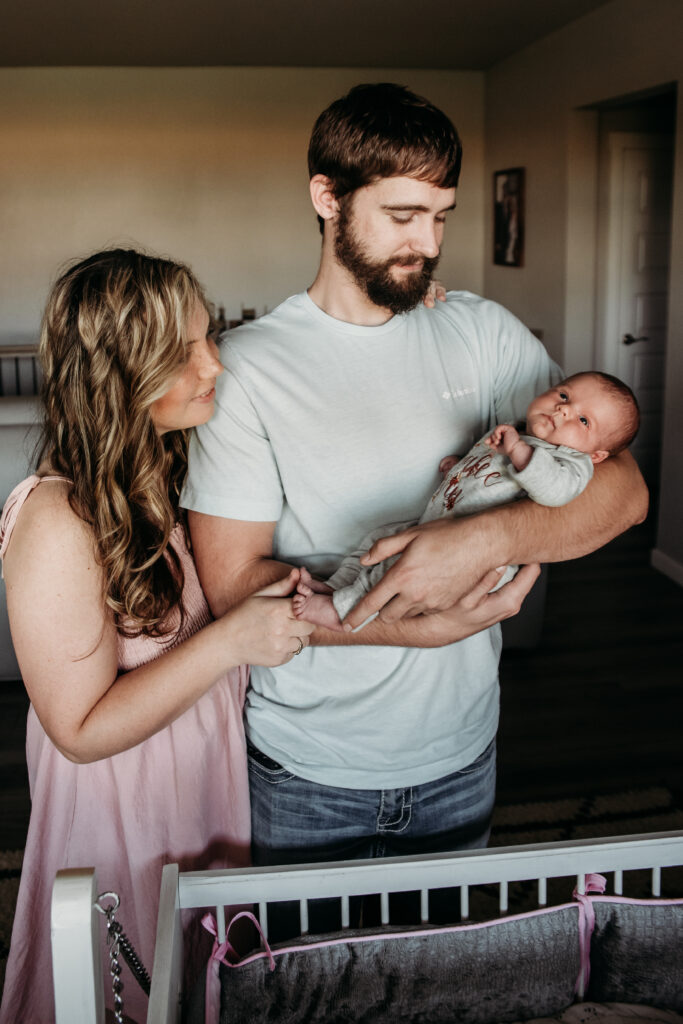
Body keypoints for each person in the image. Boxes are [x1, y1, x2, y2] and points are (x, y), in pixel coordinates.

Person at [183, 84, 647, 883]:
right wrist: (415, 622)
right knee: (304, 993)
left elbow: (621, 494)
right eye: (402, 216)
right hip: (310, 766)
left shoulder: (483, 333)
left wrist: (477, 540)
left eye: (441, 216)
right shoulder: (246, 368)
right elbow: (233, 590)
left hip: (463, 750)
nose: (428, 243)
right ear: (326, 197)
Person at [0, 249, 314, 1024]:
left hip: (206, 789)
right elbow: (76, 729)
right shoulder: (57, 518)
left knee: (205, 981)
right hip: (122, 810)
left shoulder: (172, 480)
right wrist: (230, 640)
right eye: (186, 350)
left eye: (210, 337)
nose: (215, 363)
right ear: (119, 371)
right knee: (130, 983)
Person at [292, 371, 640, 631]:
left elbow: (555, 490)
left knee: (392, 568)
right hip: (435, 523)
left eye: (583, 420)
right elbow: (488, 471)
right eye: (564, 395)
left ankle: (342, 612)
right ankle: (337, 585)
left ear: (597, 455)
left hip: (472, 562)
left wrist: (519, 450)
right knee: (377, 541)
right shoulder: (519, 428)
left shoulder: (571, 463)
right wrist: (459, 465)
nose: (564, 410)